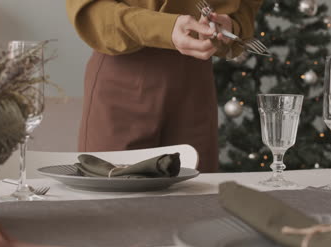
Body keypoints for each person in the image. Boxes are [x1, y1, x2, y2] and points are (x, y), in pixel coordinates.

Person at [66, 0, 263, 172]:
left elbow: (245, 7)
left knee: (195, 203)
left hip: (195, 81)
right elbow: (90, 11)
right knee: (113, 202)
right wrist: (165, 28)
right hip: (124, 73)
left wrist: (232, 26)